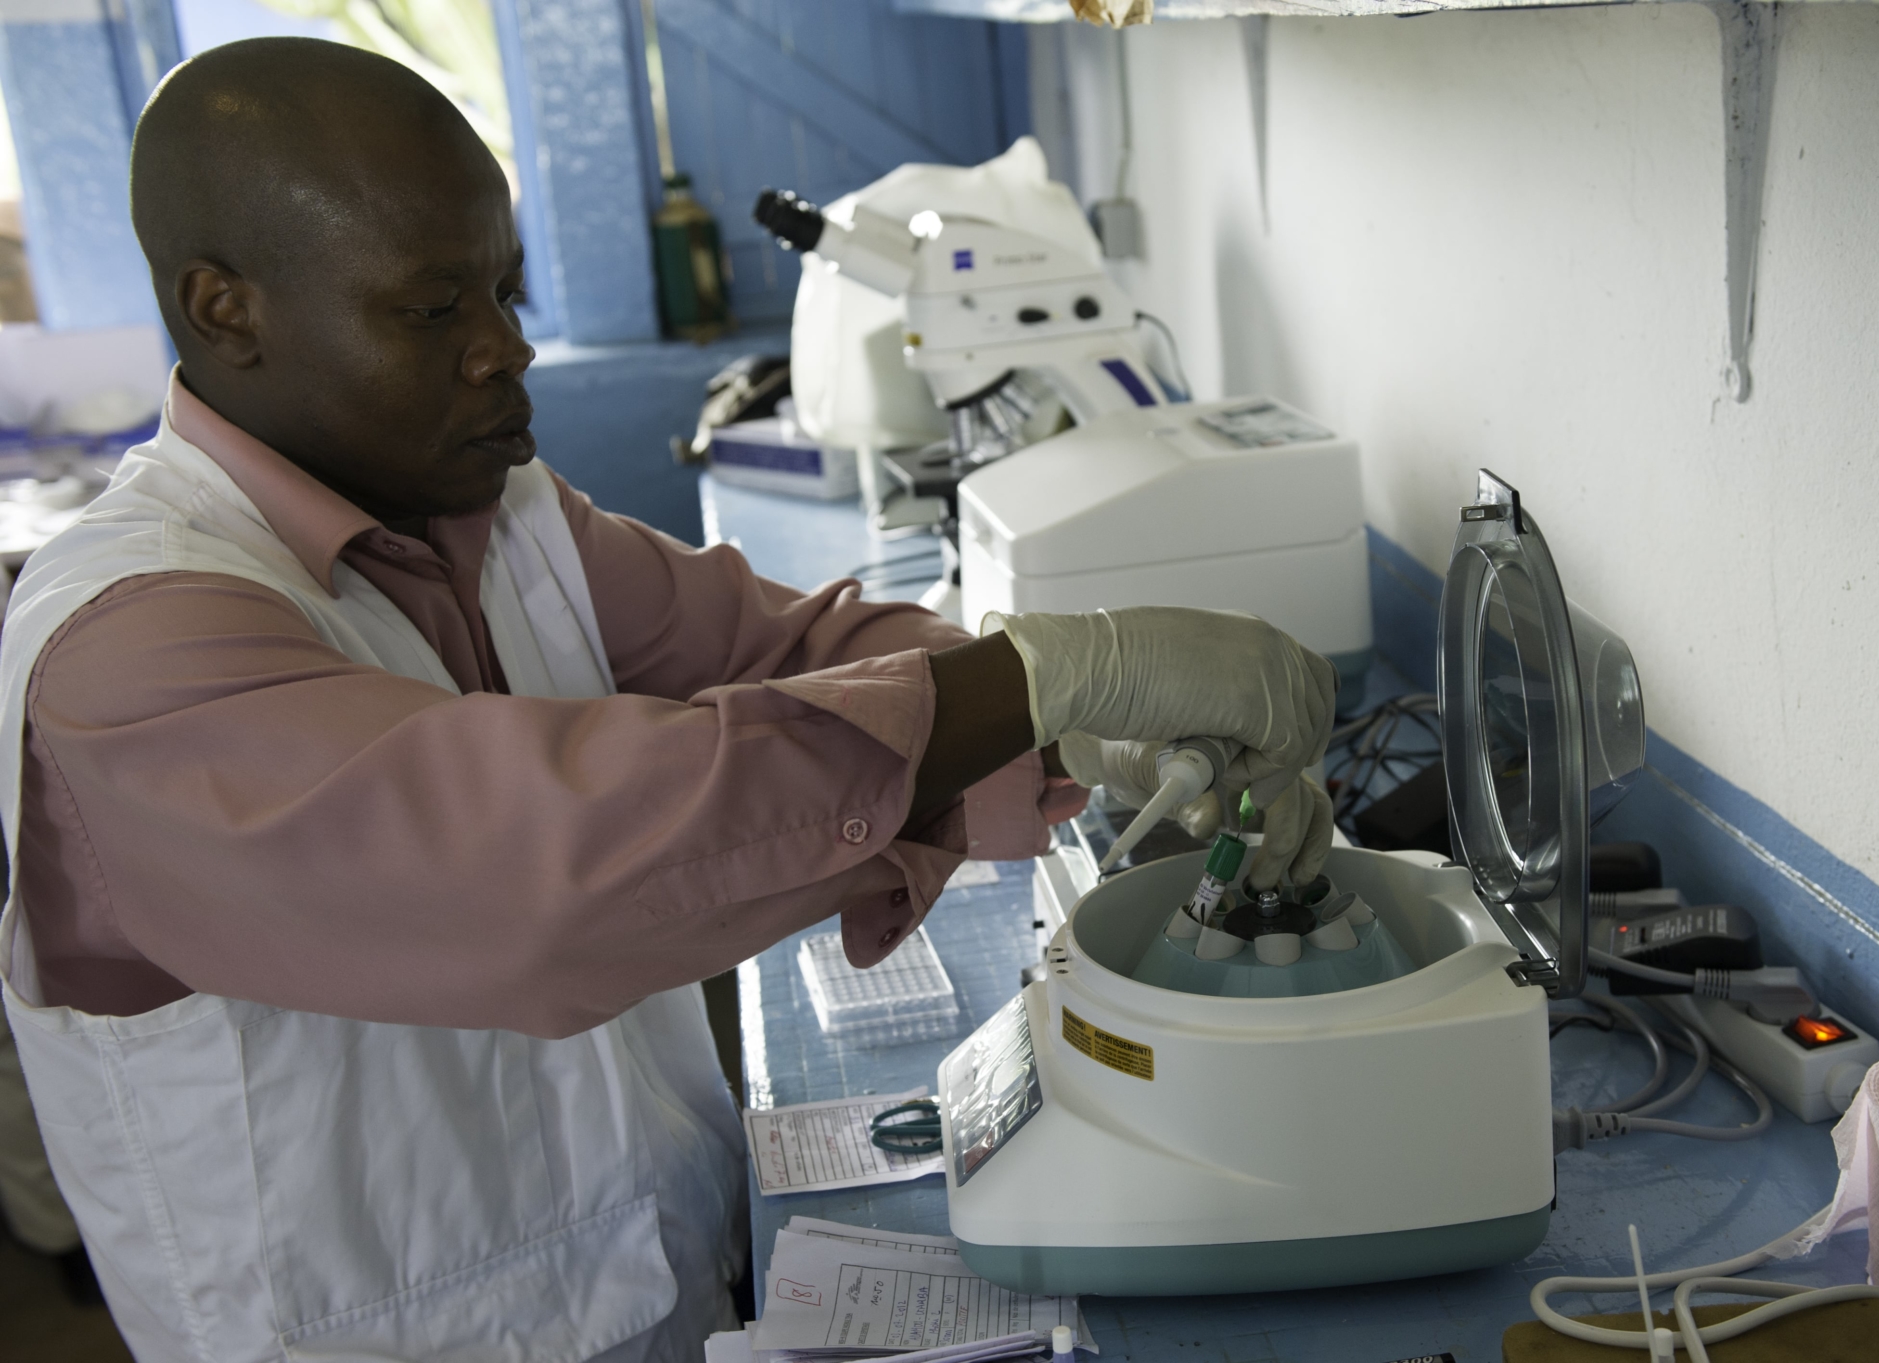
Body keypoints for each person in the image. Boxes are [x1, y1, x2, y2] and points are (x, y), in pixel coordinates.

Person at [0, 37, 1336, 1363]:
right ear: (224, 309)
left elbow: (792, 646)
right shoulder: (130, 653)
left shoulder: (500, 516)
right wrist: (1053, 666)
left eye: (505, 293)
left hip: (649, 1284)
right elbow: (536, 875)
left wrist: (1083, 725)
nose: (503, 351)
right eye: (431, 310)